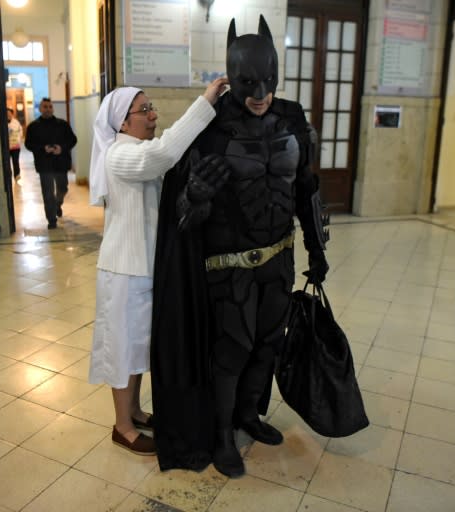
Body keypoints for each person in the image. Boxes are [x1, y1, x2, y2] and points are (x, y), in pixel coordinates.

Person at [151, 15, 329, 477]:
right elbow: (183, 217)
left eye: (269, 82)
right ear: (231, 76)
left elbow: (305, 188)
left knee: (268, 344)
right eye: (249, 84)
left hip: (280, 256)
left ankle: (249, 415)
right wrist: (197, 195)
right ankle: (221, 435)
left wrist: (317, 248)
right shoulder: (209, 126)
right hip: (228, 264)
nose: (260, 95)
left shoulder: (291, 117)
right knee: (231, 350)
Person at [88, 78, 229, 456]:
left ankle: (133, 410)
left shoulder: (137, 148)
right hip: (124, 269)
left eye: (151, 108)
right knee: (121, 348)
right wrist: (205, 102)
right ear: (122, 122)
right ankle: (122, 427)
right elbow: (165, 154)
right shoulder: (120, 155)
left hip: (144, 266)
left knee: (136, 346)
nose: (152, 116)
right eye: (144, 110)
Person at [24, 98, 78, 229]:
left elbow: (72, 140)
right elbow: (28, 144)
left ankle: (57, 204)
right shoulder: (33, 126)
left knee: (63, 188)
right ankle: (51, 219)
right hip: (44, 164)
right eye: (44, 107)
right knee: (48, 192)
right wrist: (43, 149)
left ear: (53, 108)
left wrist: (62, 148)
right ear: (40, 109)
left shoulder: (62, 124)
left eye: (49, 107)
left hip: (61, 163)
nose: (47, 109)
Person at [6, 108, 23, 184]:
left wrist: (18, 140)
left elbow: (20, 132)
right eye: (6, 114)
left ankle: (17, 176)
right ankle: (8, 176)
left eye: (9, 114)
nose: (8, 115)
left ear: (12, 114)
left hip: (15, 147)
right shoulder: (2, 122)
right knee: (7, 162)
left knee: (15, 161)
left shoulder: (16, 122)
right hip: (6, 147)